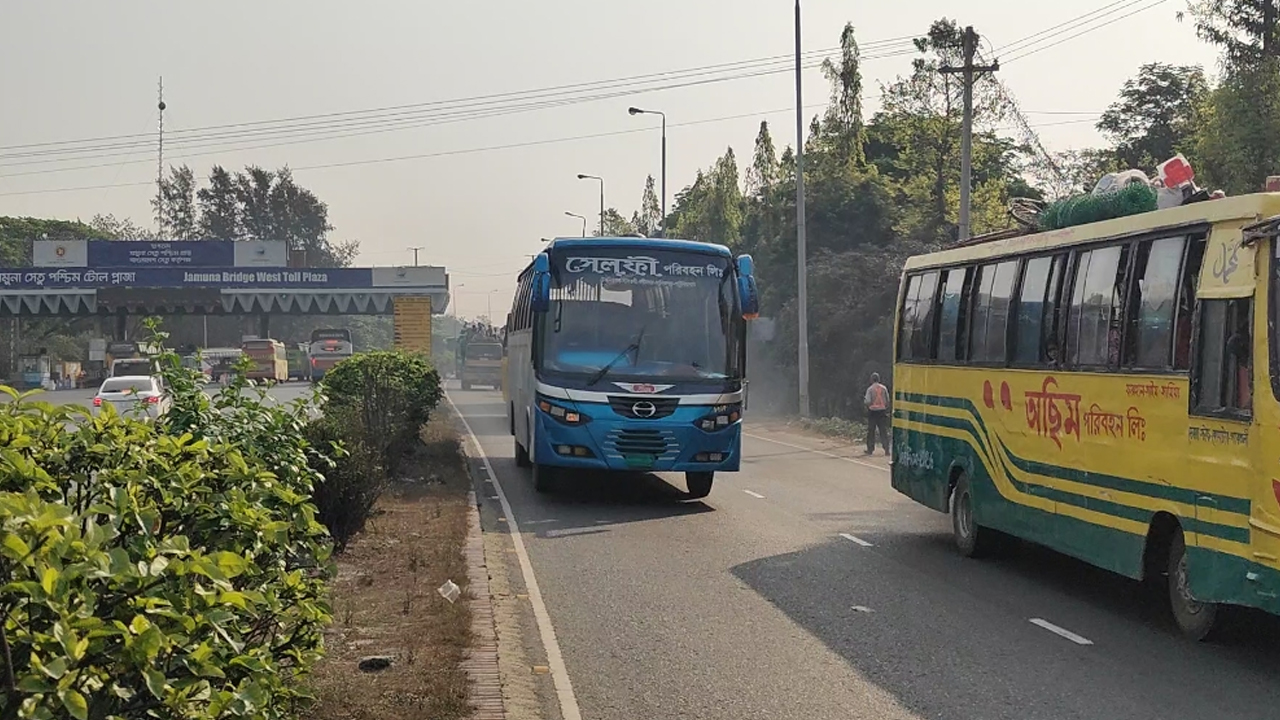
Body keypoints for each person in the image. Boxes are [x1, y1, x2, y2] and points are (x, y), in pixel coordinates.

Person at [864, 372, 891, 456]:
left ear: (871, 379)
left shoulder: (870, 389)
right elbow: (887, 401)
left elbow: (867, 401)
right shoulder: (884, 388)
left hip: (873, 412)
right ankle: (886, 449)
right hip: (882, 411)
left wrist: (868, 406)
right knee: (883, 431)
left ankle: (870, 449)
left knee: (871, 431)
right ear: (879, 379)